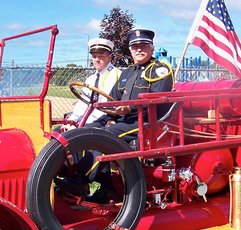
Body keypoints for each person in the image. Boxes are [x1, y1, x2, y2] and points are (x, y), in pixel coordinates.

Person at [74, 28, 174, 203]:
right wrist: (110, 116)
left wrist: (129, 109)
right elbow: (113, 99)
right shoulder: (127, 72)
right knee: (82, 131)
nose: (139, 50)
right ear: (130, 50)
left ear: (152, 49)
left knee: (105, 136)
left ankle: (81, 180)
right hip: (122, 119)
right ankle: (104, 188)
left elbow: (157, 104)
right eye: (135, 47)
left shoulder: (160, 71)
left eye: (143, 46)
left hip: (145, 122)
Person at [61, 38, 120, 130]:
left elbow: (112, 104)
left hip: (103, 118)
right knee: (59, 131)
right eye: (94, 56)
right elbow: (84, 102)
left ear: (110, 57)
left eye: (101, 56)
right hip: (88, 117)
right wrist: (72, 120)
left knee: (75, 133)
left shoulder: (116, 75)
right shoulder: (91, 79)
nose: (97, 60)